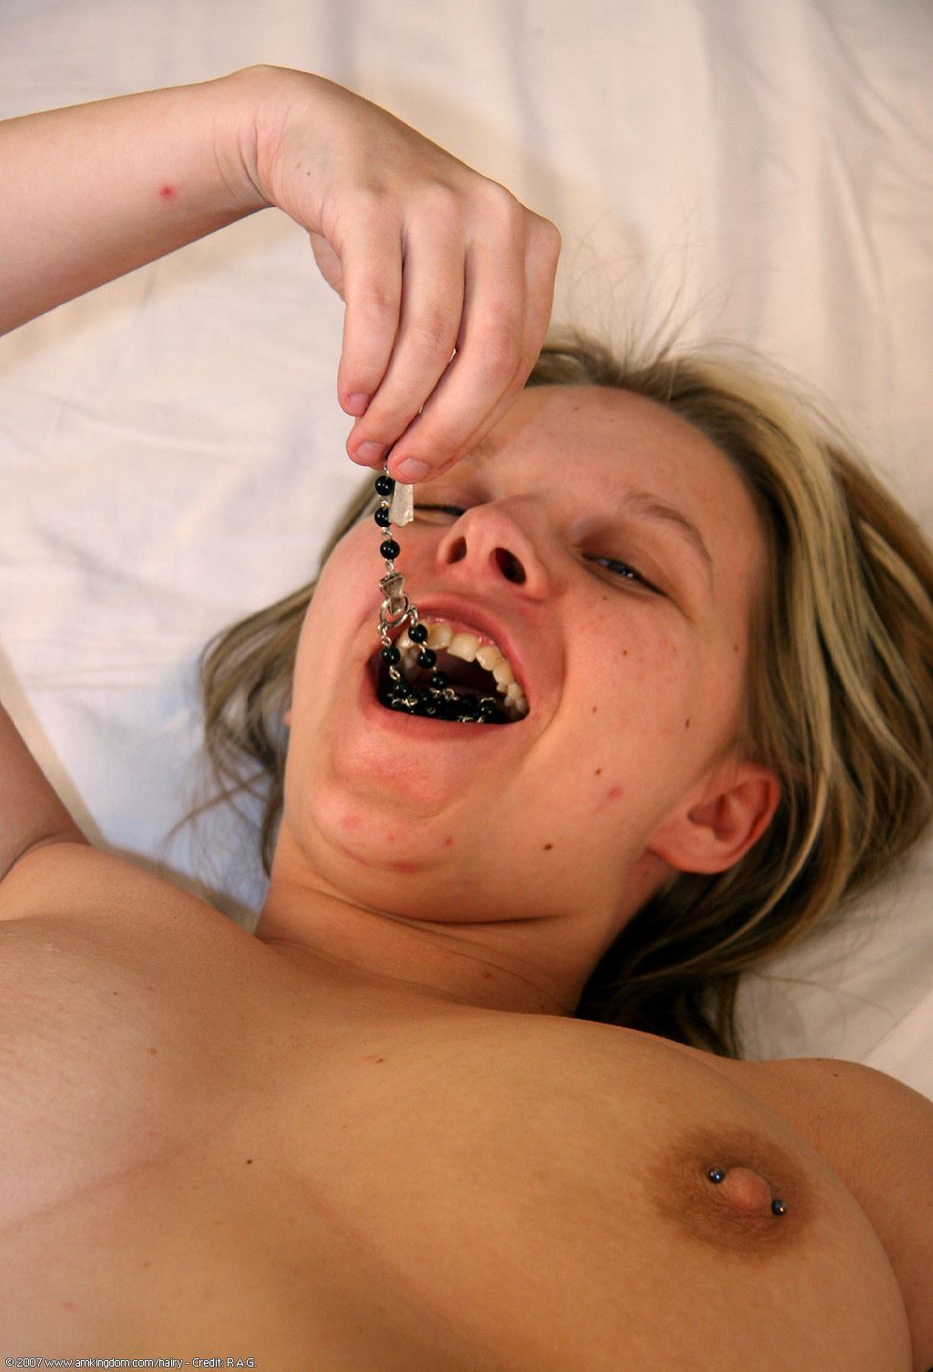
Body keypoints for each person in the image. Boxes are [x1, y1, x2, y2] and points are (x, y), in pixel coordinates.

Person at [0, 66, 930, 1369]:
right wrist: (257, 130)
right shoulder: (31, 888)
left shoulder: (847, 1147)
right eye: (433, 504)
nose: (486, 535)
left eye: (623, 565)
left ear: (720, 810)